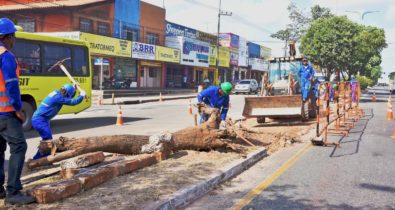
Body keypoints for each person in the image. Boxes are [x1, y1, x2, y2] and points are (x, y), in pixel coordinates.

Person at [0, 18, 35, 204]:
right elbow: (11, 84)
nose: (14, 40)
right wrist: (18, 109)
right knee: (19, 147)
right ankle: (13, 193)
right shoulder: (6, 56)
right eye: (13, 36)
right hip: (5, 113)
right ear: (7, 37)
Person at [32, 84, 85, 159]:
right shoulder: (58, 98)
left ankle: (43, 156)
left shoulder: (57, 93)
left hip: (42, 119)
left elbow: (68, 98)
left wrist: (74, 89)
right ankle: (39, 158)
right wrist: (81, 96)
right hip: (40, 120)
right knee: (48, 140)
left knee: (47, 139)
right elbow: (72, 102)